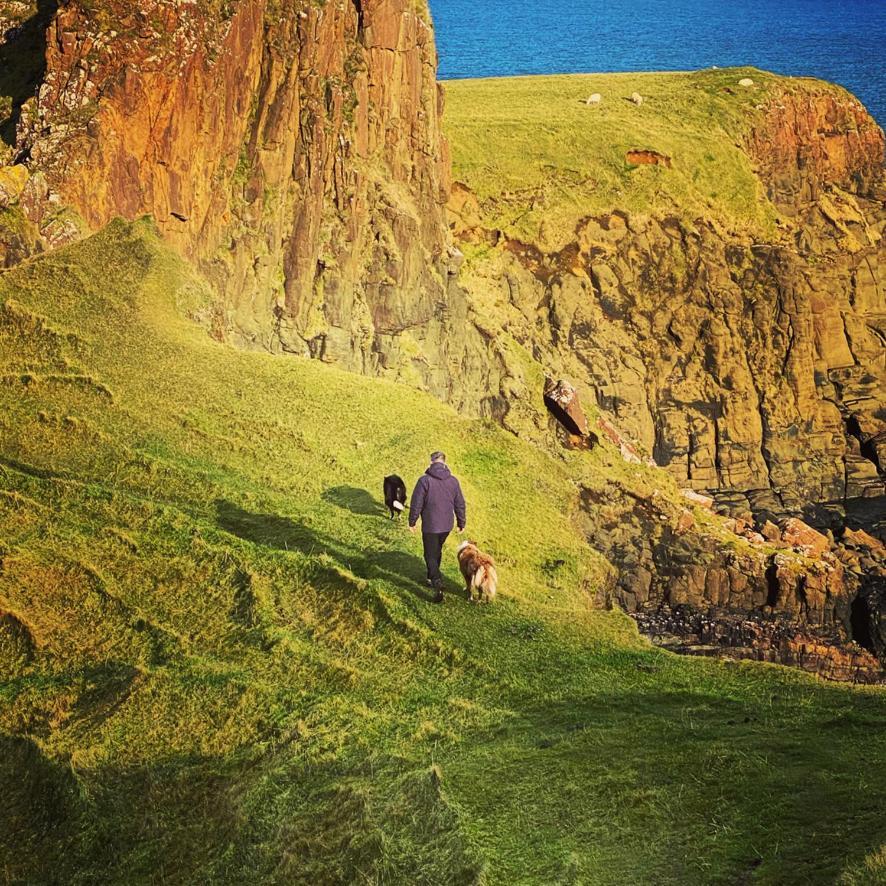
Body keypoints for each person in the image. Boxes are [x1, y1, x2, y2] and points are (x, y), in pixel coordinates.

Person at [408, 451, 466, 603]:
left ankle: (436, 581)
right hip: (446, 525)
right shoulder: (453, 481)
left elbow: (416, 503)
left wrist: (412, 522)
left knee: (429, 554)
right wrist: (461, 523)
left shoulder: (424, 481)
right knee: (436, 550)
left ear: (432, 462)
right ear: (444, 463)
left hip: (431, 525)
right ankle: (430, 577)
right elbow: (460, 503)